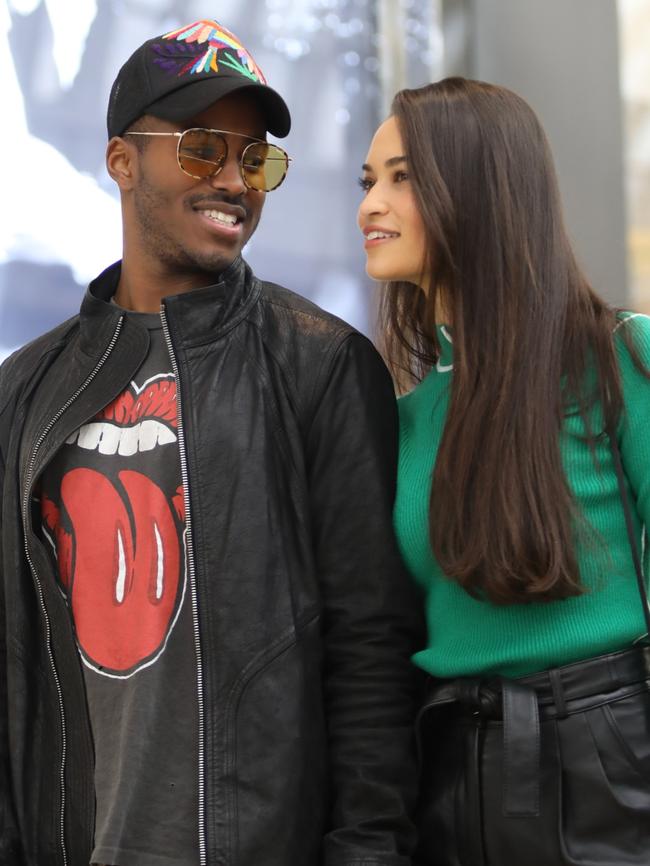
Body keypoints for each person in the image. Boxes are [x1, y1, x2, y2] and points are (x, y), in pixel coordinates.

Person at [0, 18, 423, 866]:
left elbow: (372, 654)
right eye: (202, 149)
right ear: (123, 161)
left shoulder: (322, 366)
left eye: (256, 158)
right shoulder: (25, 391)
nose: (235, 179)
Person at [357, 76, 650, 866]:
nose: (369, 207)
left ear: (476, 182)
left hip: (610, 761)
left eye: (400, 177)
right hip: (449, 771)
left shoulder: (621, 358)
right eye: (367, 181)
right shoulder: (404, 420)